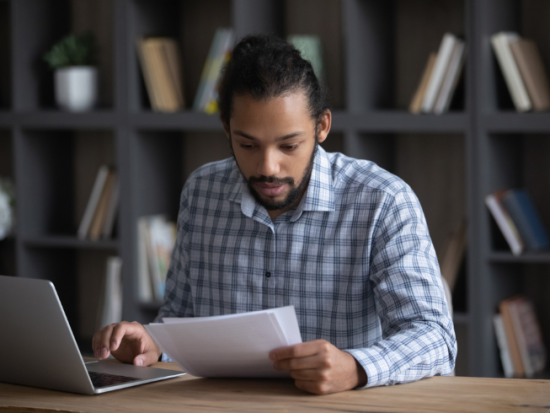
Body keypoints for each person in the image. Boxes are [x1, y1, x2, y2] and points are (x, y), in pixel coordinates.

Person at [92, 34, 457, 395]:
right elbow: (182, 320)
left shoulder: (383, 201)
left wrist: (357, 368)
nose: (268, 167)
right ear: (226, 129)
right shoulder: (201, 192)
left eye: (289, 145)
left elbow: (435, 338)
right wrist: (153, 343)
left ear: (322, 127)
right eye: (248, 144)